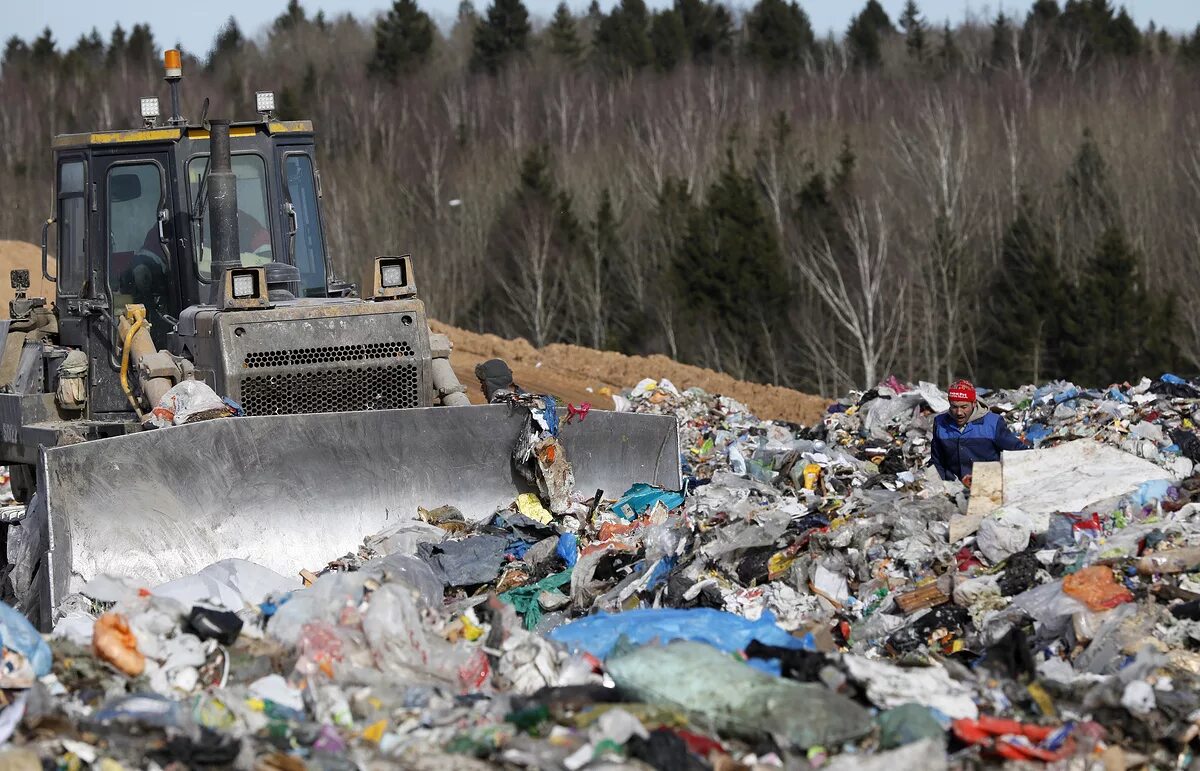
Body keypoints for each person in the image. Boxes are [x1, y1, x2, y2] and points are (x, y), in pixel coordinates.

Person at [931, 379, 1028, 487]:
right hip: (953, 488)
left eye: (964, 407)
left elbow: (1018, 450)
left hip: (987, 487)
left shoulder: (993, 423)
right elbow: (937, 460)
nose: (959, 412)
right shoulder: (940, 423)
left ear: (974, 403)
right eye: (954, 407)